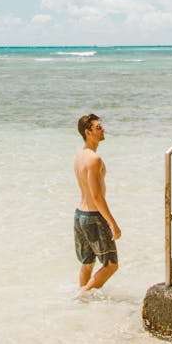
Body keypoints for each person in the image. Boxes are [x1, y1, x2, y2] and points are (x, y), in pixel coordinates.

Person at [73, 113, 121, 292]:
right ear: (88, 132)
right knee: (111, 265)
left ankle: (82, 304)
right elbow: (97, 196)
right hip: (93, 216)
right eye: (98, 127)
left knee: (88, 263)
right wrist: (113, 224)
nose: (103, 129)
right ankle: (82, 297)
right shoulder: (94, 159)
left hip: (80, 215)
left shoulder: (80, 155)